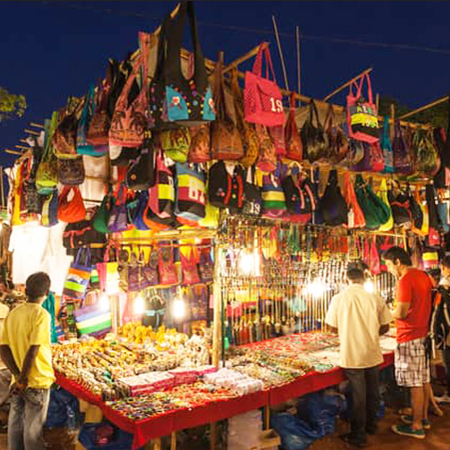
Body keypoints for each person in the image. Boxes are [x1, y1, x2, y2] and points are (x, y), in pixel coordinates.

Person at [325, 265, 392, 447]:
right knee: (372, 392)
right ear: (364, 279)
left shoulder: (339, 299)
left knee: (358, 396)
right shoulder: (374, 297)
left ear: (346, 279)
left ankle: (358, 435)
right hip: (372, 351)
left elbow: (331, 327)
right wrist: (370, 333)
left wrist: (348, 330)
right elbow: (386, 325)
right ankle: (371, 425)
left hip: (352, 354)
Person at [0, 272, 55, 450]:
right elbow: (33, 349)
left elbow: (3, 348)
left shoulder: (13, 313)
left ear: (26, 290)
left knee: (16, 424)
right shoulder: (42, 315)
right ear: (46, 292)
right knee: (33, 430)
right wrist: (24, 377)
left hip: (18, 380)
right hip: (37, 379)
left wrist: (17, 375)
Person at [384, 246, 433, 440]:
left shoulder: (405, 281)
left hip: (409, 336)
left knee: (414, 383)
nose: (388, 269)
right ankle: (423, 418)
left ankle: (416, 425)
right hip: (421, 334)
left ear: (397, 262)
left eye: (388, 264)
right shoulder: (422, 275)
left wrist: (387, 311)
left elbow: (402, 313)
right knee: (420, 380)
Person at [431, 255, 450, 403]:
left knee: (448, 363)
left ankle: (449, 395)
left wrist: (434, 331)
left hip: (447, 333)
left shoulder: (443, 287)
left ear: (444, 268)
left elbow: (439, 311)